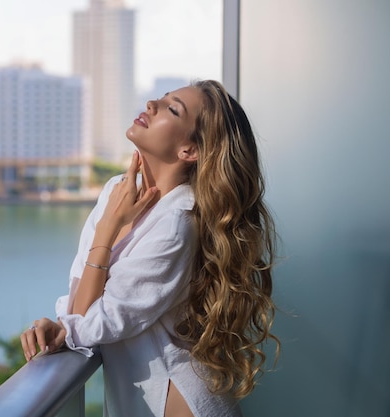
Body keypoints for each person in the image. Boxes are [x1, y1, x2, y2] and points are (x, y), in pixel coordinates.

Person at [20, 79, 279, 417]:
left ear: (190, 151)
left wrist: (109, 228)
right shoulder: (117, 191)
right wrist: (67, 322)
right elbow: (77, 304)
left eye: (173, 109)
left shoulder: (178, 224)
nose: (152, 104)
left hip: (182, 404)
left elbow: (93, 321)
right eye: (162, 98)